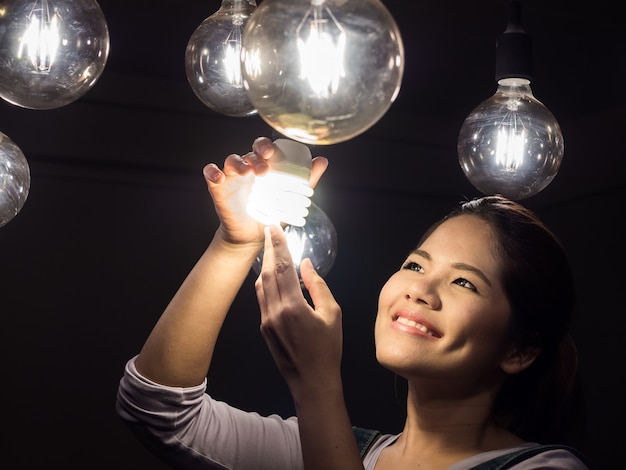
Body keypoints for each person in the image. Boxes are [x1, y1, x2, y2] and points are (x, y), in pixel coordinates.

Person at [116, 136, 592, 469]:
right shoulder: (334, 449)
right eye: (415, 265)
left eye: (465, 283)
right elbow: (157, 408)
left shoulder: (546, 468)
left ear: (520, 350)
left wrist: (315, 382)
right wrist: (233, 243)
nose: (419, 290)